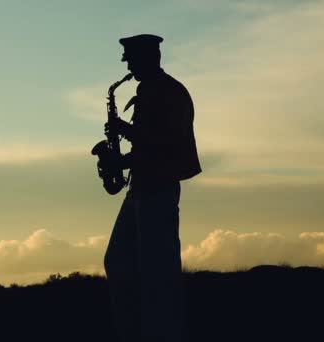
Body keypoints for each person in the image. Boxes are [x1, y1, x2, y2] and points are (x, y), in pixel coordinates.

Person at [103, 34, 202, 342]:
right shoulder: (149, 91)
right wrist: (123, 158)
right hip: (142, 185)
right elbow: (149, 144)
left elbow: (164, 142)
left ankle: (163, 332)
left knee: (158, 273)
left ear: (149, 58)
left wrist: (125, 132)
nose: (128, 66)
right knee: (118, 261)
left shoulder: (169, 92)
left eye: (132, 60)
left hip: (157, 188)